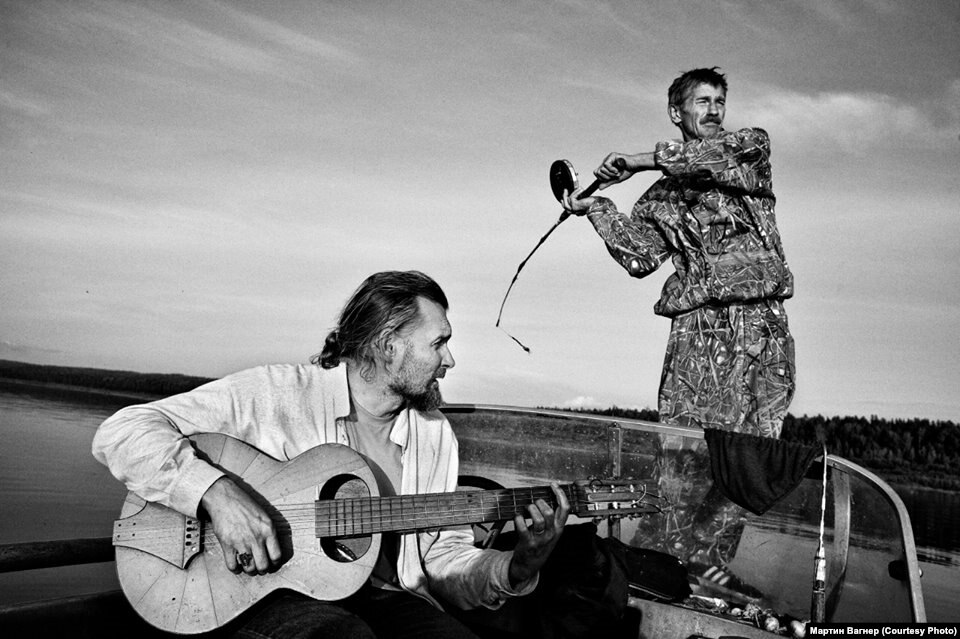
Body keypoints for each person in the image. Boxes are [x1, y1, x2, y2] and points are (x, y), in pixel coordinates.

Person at [92, 270, 570, 639]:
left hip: (390, 598)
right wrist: (217, 496)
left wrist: (518, 566)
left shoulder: (434, 433)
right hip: (268, 595)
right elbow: (122, 431)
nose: (450, 360)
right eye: (438, 342)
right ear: (388, 346)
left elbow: (441, 559)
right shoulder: (279, 394)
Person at [561, 68, 795, 593]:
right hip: (699, 331)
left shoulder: (747, 152)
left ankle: (706, 562)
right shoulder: (660, 198)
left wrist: (636, 160)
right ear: (677, 111)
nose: (713, 111)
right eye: (701, 101)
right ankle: (657, 561)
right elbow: (640, 256)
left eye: (719, 102)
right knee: (683, 453)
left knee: (750, 456)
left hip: (763, 327)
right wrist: (597, 208)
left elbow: (710, 154)